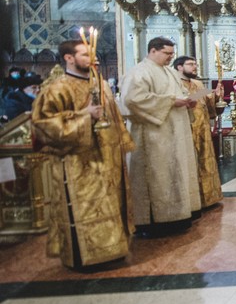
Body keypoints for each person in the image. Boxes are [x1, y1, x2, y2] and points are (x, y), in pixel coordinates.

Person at [31, 41, 133, 269]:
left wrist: (121, 145)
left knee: (109, 205)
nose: (92, 58)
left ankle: (113, 250)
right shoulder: (57, 89)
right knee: (85, 208)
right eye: (85, 54)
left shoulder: (101, 84)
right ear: (69, 58)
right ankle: (85, 258)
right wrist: (84, 116)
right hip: (77, 163)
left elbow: (114, 120)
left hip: (107, 159)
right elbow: (42, 126)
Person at [121, 37, 201, 234]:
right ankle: (156, 221)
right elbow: (132, 100)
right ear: (153, 51)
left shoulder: (170, 72)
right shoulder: (139, 72)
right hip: (153, 135)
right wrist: (171, 102)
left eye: (172, 54)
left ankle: (178, 216)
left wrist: (189, 101)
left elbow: (181, 92)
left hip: (175, 132)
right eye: (167, 54)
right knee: (157, 176)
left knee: (175, 172)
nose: (170, 58)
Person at [173, 56, 224, 209]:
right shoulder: (174, 83)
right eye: (190, 64)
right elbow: (181, 101)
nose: (194, 67)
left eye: (195, 64)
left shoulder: (197, 83)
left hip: (203, 129)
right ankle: (194, 201)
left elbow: (208, 103)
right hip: (186, 128)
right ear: (179, 67)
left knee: (204, 161)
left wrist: (216, 95)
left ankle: (208, 198)